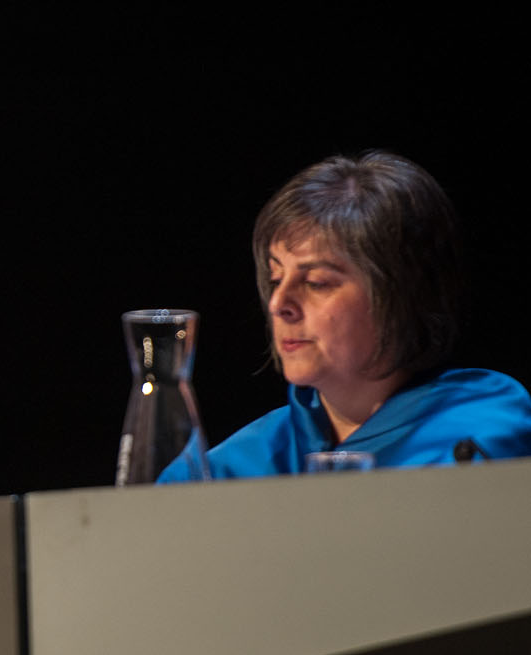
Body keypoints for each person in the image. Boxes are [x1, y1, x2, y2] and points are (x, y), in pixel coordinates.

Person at [161, 151, 531, 481]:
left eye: (317, 282)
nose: (279, 304)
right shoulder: (225, 472)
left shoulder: (479, 437)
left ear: (401, 293)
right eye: (275, 279)